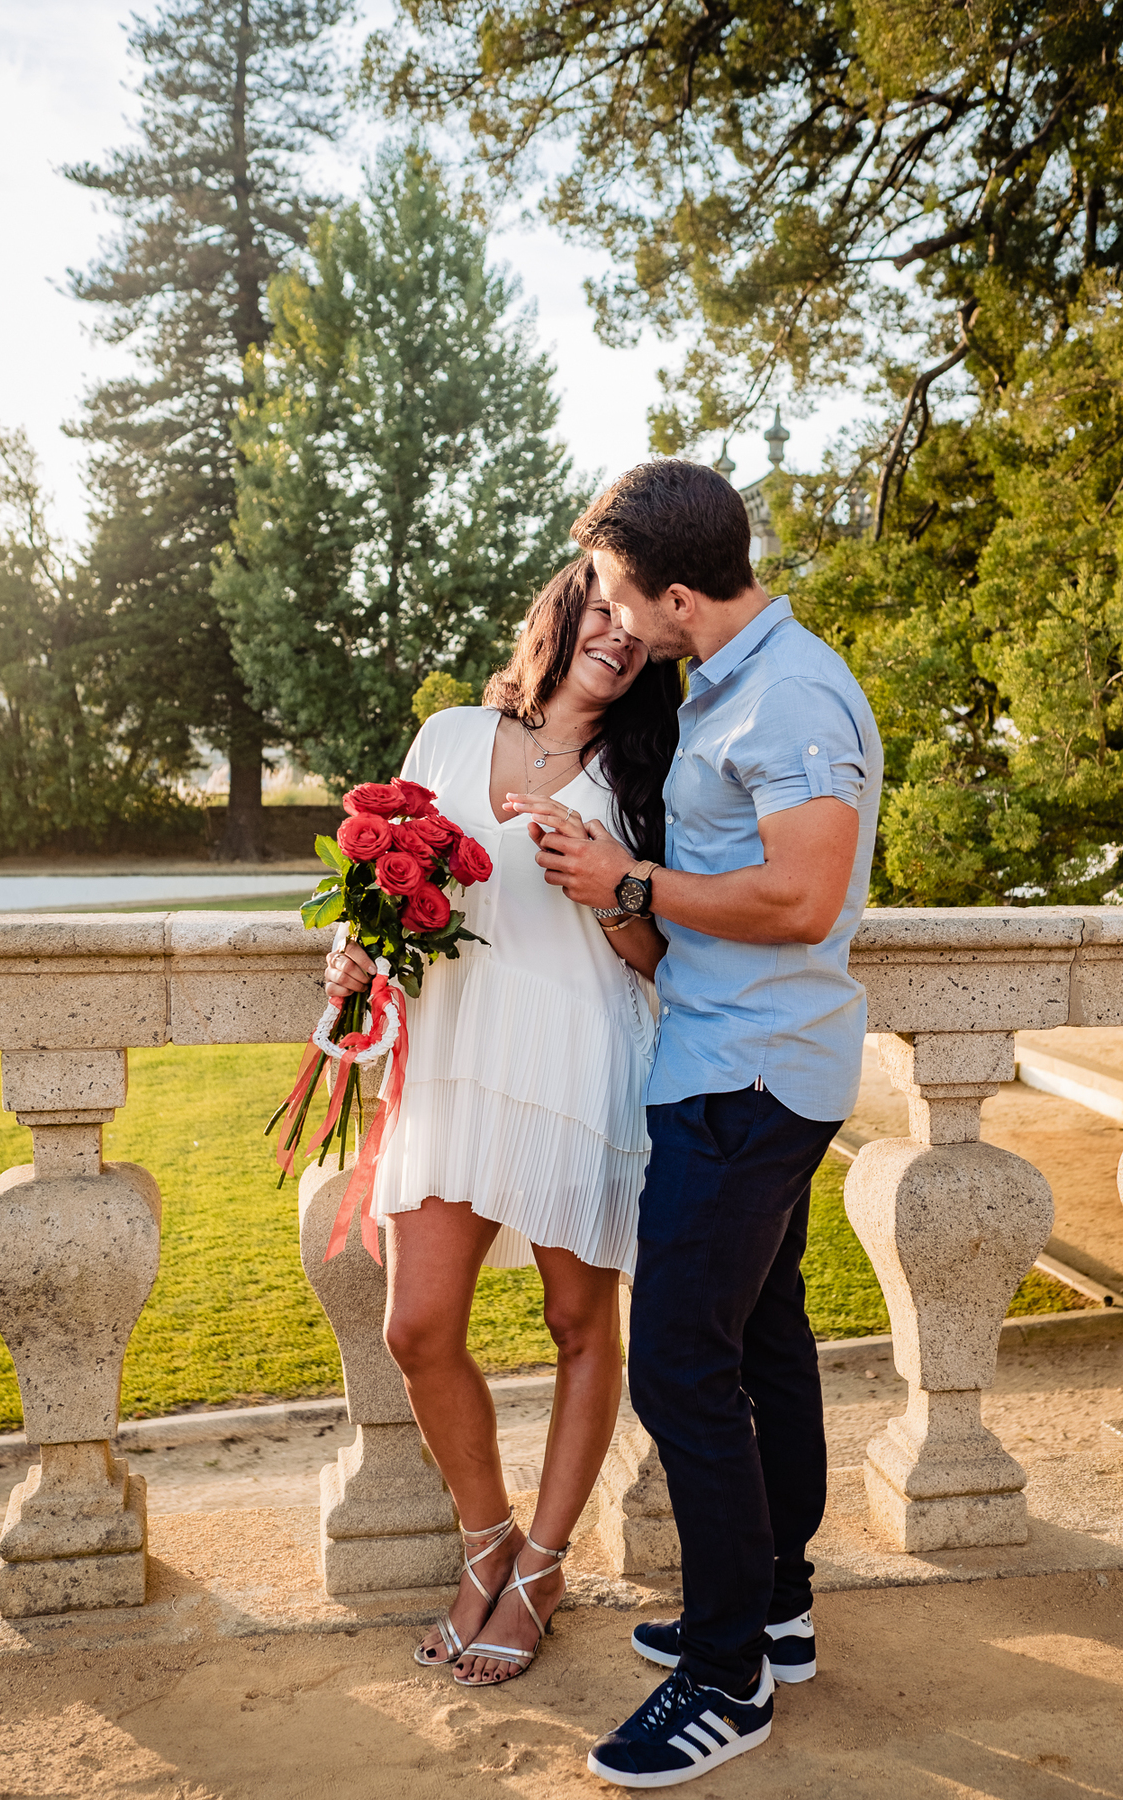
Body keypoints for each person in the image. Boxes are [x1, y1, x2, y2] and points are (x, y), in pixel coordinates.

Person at [507, 459, 883, 1787]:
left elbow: (803, 897)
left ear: (674, 593)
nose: (604, 611)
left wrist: (632, 875)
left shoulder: (784, 695)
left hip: (751, 1079)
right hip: (739, 1064)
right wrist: (618, 894)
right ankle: (774, 1604)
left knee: (676, 1365)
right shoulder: (734, 680)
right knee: (763, 1339)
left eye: (613, 588)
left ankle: (727, 1679)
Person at [323, 556, 681, 1689]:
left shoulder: (647, 773)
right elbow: (387, 886)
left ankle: (542, 1567)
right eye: (603, 611)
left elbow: (662, 951)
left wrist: (608, 881)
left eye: (639, 627)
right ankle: (487, 1539)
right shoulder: (447, 734)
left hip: (580, 1051)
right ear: (564, 613)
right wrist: (357, 943)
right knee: (416, 1328)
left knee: (582, 1323)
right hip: (457, 1054)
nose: (619, 637)